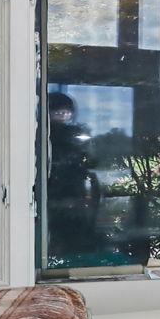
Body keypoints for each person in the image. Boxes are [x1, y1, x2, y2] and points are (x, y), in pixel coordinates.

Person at [45, 91, 101, 264]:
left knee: (76, 229)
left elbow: (90, 161)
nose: (63, 115)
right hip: (51, 193)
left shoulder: (76, 134)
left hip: (74, 191)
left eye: (66, 111)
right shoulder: (42, 134)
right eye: (57, 111)